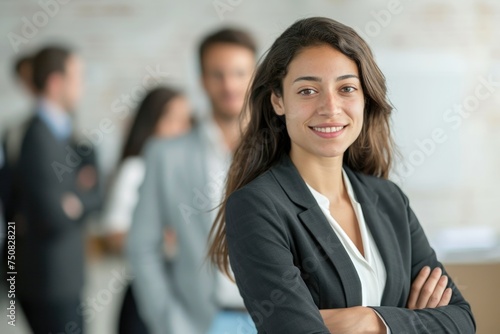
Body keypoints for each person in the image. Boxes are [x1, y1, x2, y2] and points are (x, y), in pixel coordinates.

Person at [208, 17, 476, 334]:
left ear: (365, 97)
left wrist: (371, 321)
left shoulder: (389, 199)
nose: (330, 108)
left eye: (346, 88)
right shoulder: (257, 205)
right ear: (278, 100)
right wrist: (411, 321)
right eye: (308, 91)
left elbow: (461, 320)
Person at [126, 27, 257, 334]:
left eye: (239, 73)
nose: (229, 85)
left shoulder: (287, 150)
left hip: (278, 322)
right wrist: (170, 322)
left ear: (256, 76)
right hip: (200, 323)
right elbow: (142, 246)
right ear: (201, 80)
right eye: (218, 74)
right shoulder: (165, 155)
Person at [13, 45, 102, 333]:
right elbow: (54, 215)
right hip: (49, 283)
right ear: (55, 82)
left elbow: (94, 195)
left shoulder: (62, 131)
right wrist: (81, 194)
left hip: (63, 277)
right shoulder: (38, 137)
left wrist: (77, 198)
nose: (82, 86)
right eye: (77, 78)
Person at [101, 86, 192, 334]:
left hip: (186, 293)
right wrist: (163, 239)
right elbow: (113, 235)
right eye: (171, 119)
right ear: (152, 122)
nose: (180, 129)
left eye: (185, 121)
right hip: (146, 291)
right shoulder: (135, 169)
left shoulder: (189, 173)